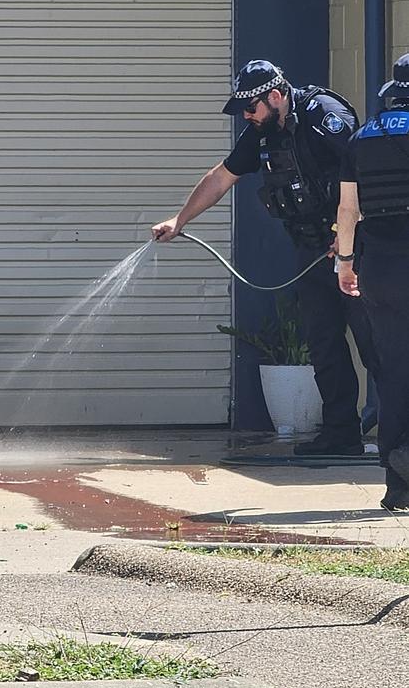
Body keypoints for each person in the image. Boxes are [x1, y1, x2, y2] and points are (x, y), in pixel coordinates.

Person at [152, 59, 380, 457]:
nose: (246, 116)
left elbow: (365, 175)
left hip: (352, 249)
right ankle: (341, 434)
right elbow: (222, 176)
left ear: (276, 97)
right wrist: (180, 218)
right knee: (324, 344)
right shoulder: (263, 131)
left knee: (376, 344)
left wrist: (347, 237)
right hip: (311, 250)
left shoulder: (324, 116)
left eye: (251, 107)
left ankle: (401, 441)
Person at [337, 54, 409, 510]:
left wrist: (345, 264)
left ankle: (396, 483)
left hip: (378, 269)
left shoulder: (362, 138)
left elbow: (347, 211)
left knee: (394, 372)